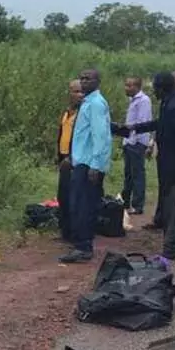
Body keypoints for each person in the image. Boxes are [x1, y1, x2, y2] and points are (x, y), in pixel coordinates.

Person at [117, 72, 175, 259]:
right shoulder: (173, 100)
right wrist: (135, 128)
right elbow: (161, 124)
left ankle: (172, 248)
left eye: (155, 87)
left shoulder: (174, 107)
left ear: (162, 88)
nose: (153, 91)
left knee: (174, 206)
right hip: (174, 162)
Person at [59, 68, 111, 263]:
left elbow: (101, 136)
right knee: (78, 204)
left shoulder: (96, 104)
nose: (83, 82)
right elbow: (83, 136)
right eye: (81, 79)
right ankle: (81, 244)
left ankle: (83, 247)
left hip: (89, 164)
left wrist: (96, 165)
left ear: (98, 81)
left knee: (83, 205)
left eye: (88, 79)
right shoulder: (87, 102)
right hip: (81, 161)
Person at [119, 76, 152, 216]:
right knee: (129, 174)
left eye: (129, 85)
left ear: (137, 87)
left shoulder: (143, 101)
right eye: (126, 85)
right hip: (129, 141)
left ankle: (138, 205)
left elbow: (142, 123)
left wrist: (137, 142)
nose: (126, 88)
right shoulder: (133, 100)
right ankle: (126, 202)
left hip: (137, 142)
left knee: (137, 174)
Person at [56, 79, 84, 241]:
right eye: (75, 91)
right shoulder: (67, 112)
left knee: (75, 199)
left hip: (76, 160)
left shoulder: (84, 113)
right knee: (63, 197)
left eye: (81, 92)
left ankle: (76, 234)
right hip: (64, 159)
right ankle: (65, 231)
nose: (79, 95)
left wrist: (72, 157)